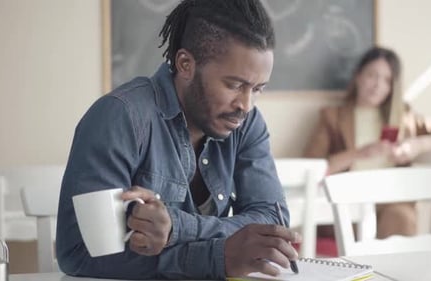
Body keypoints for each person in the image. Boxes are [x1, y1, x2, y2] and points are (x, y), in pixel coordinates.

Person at [56, 0, 300, 279]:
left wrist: (176, 228)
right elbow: (82, 254)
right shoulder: (119, 117)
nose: (246, 104)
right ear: (186, 64)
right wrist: (215, 257)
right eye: (234, 85)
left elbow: (272, 221)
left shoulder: (247, 123)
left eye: (257, 89)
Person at [304, 46, 431, 239]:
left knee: (401, 218)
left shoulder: (403, 116)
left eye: (386, 80)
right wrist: (359, 153)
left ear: (392, 87)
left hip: (392, 200)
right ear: (358, 76)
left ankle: (395, 269)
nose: (377, 85)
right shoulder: (332, 117)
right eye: (372, 75)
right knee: (350, 233)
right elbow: (310, 167)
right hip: (347, 201)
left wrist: (416, 146)